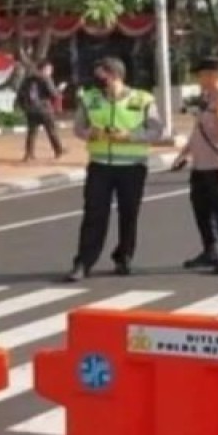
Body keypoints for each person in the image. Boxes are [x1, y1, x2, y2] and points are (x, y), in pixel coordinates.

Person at [63, 57, 165, 282]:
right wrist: (92, 134)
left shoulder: (142, 99)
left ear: (115, 75)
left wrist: (129, 136)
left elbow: (156, 131)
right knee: (94, 214)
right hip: (100, 166)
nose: (97, 80)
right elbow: (79, 128)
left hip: (132, 167)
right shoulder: (90, 99)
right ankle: (83, 262)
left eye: (102, 75)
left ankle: (124, 257)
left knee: (129, 214)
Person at [171, 56, 218, 275]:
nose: (199, 79)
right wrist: (184, 154)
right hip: (201, 164)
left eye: (202, 74)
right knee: (202, 208)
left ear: (215, 75)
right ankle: (211, 249)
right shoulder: (207, 98)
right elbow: (198, 129)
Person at [15, 59, 64, 161]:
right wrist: (59, 89)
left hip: (30, 109)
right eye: (50, 69)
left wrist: (23, 107)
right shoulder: (46, 78)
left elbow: (20, 94)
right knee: (51, 130)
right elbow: (53, 94)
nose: (51, 71)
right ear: (45, 68)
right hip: (44, 109)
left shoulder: (27, 79)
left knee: (31, 133)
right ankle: (58, 150)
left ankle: (29, 154)